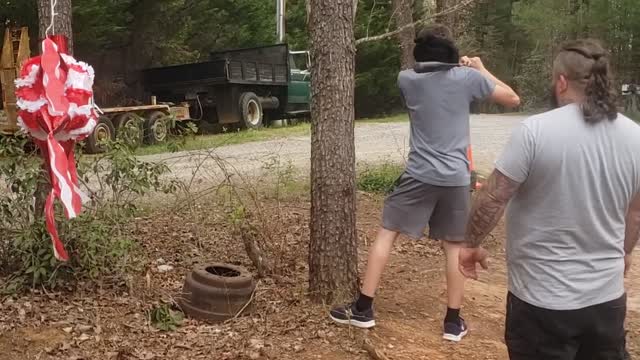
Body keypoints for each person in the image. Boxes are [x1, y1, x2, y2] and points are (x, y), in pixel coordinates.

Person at [329, 24, 520, 342]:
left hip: (419, 174)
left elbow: (429, 77)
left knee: (387, 233)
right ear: (451, 53)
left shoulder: (407, 79)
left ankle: (363, 309)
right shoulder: (468, 78)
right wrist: (480, 68)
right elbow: (513, 99)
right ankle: (452, 323)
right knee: (454, 247)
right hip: (456, 177)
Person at [460, 38, 640, 359]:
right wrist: (624, 252)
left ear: (561, 81)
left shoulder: (534, 131)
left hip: (542, 302)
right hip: (606, 300)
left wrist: (470, 244)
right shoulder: (634, 135)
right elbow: (636, 212)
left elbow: (493, 197)